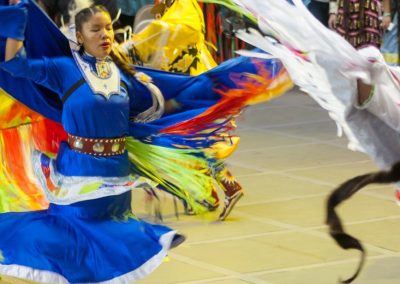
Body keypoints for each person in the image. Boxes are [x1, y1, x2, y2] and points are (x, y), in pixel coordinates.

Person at [0, 2, 186, 283]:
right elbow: (15, 65)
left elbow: (151, 106)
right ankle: (154, 237)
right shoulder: (64, 69)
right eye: (95, 29)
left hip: (116, 170)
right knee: (77, 232)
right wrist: (15, 22)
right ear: (80, 36)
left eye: (109, 28)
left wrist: (200, 100)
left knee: (110, 229)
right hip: (78, 171)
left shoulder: (122, 74)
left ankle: (148, 240)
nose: (105, 34)